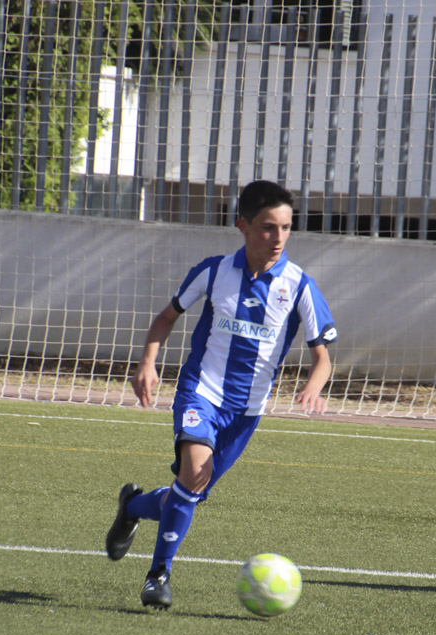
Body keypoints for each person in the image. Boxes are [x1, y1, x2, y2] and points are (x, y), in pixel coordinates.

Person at [105, 180, 337, 609]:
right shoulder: (214, 271)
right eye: (268, 227)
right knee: (193, 474)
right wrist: (147, 363)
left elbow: (323, 357)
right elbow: (165, 319)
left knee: (189, 491)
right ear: (243, 227)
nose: (278, 238)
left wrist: (313, 386)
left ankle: (133, 506)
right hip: (201, 393)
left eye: (286, 228)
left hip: (246, 412)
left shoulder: (299, 285)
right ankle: (158, 576)